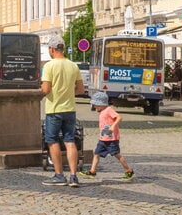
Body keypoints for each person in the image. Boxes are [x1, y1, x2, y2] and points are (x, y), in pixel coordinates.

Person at [41, 35, 84, 187]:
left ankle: (59, 175)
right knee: (70, 141)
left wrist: (43, 90)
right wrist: (68, 92)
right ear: (63, 49)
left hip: (54, 109)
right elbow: (80, 89)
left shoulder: (49, 66)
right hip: (70, 109)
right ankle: (73, 176)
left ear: (51, 49)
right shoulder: (73, 66)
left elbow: (46, 89)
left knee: (52, 141)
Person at [80, 92, 135, 181]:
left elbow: (119, 117)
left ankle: (128, 171)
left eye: (96, 105)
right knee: (96, 154)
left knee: (117, 155)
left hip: (112, 139)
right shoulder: (102, 111)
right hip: (103, 139)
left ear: (102, 104)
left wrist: (113, 126)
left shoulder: (109, 110)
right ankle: (92, 171)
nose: (95, 107)